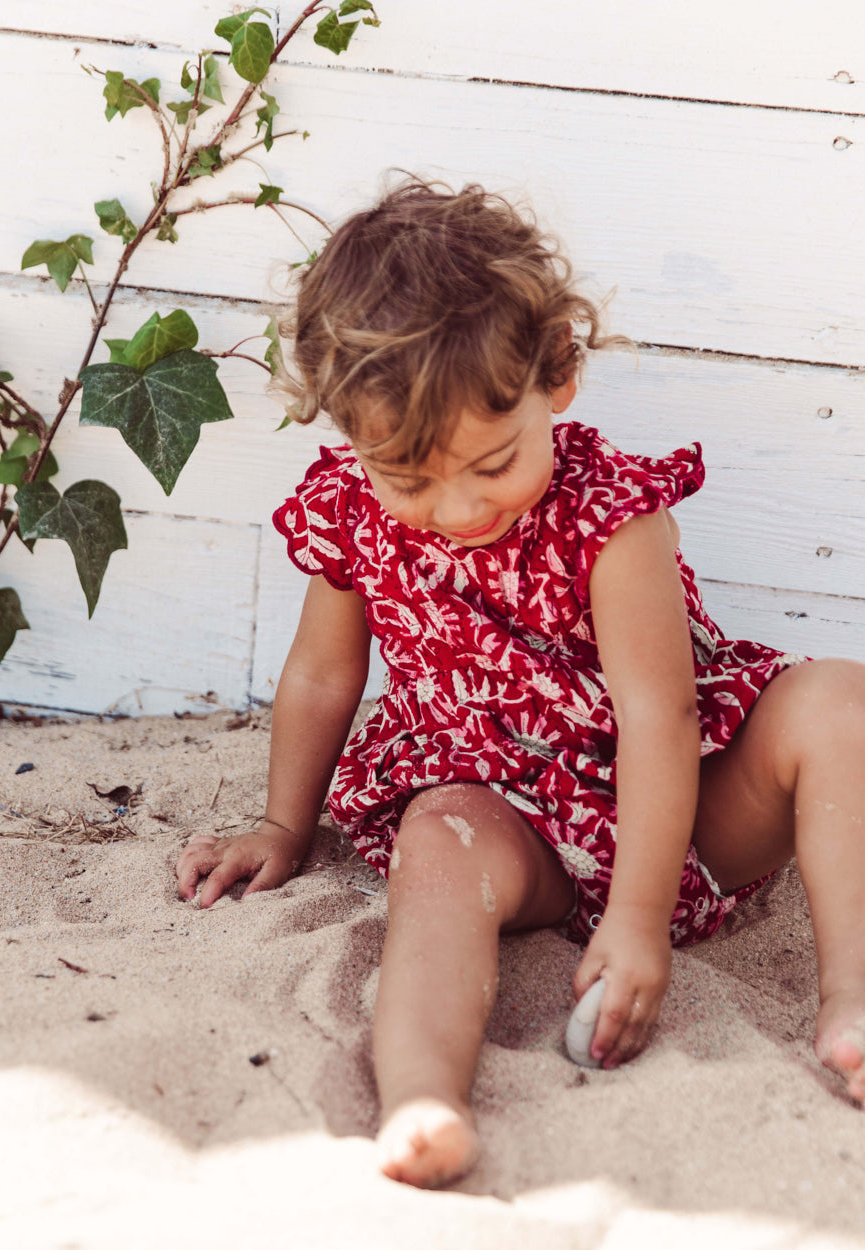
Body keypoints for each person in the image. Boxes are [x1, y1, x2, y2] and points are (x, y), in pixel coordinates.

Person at [176, 179, 865, 1189]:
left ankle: (848, 998)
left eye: (490, 464)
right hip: (506, 825)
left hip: (679, 817)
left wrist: (636, 920)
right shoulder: (349, 512)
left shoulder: (609, 517)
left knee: (837, 698)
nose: (453, 507)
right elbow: (326, 671)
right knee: (436, 837)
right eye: (406, 478)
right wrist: (284, 825)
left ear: (557, 376)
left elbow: (659, 714)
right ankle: (424, 1097)